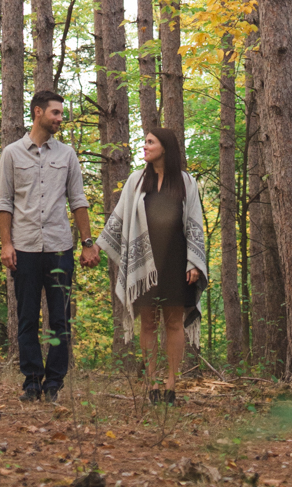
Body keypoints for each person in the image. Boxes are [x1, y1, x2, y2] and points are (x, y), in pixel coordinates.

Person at [0, 89, 100, 403]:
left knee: (60, 319)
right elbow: (4, 203)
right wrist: (6, 244)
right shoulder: (12, 154)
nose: (60, 119)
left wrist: (87, 243)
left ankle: (54, 383)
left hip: (59, 249)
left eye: (61, 113)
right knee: (27, 318)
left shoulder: (66, 154)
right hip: (24, 249)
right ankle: (31, 382)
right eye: (55, 113)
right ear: (38, 112)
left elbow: (78, 201)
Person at [98, 126, 207, 403]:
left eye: (150, 142)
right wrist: (95, 246)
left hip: (176, 260)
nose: (144, 146)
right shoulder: (136, 180)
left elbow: (195, 223)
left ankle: (170, 384)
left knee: (173, 323)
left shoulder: (186, 182)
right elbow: (119, 218)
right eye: (145, 141)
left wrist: (194, 263)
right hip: (143, 261)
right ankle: (152, 383)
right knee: (148, 323)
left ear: (165, 148)